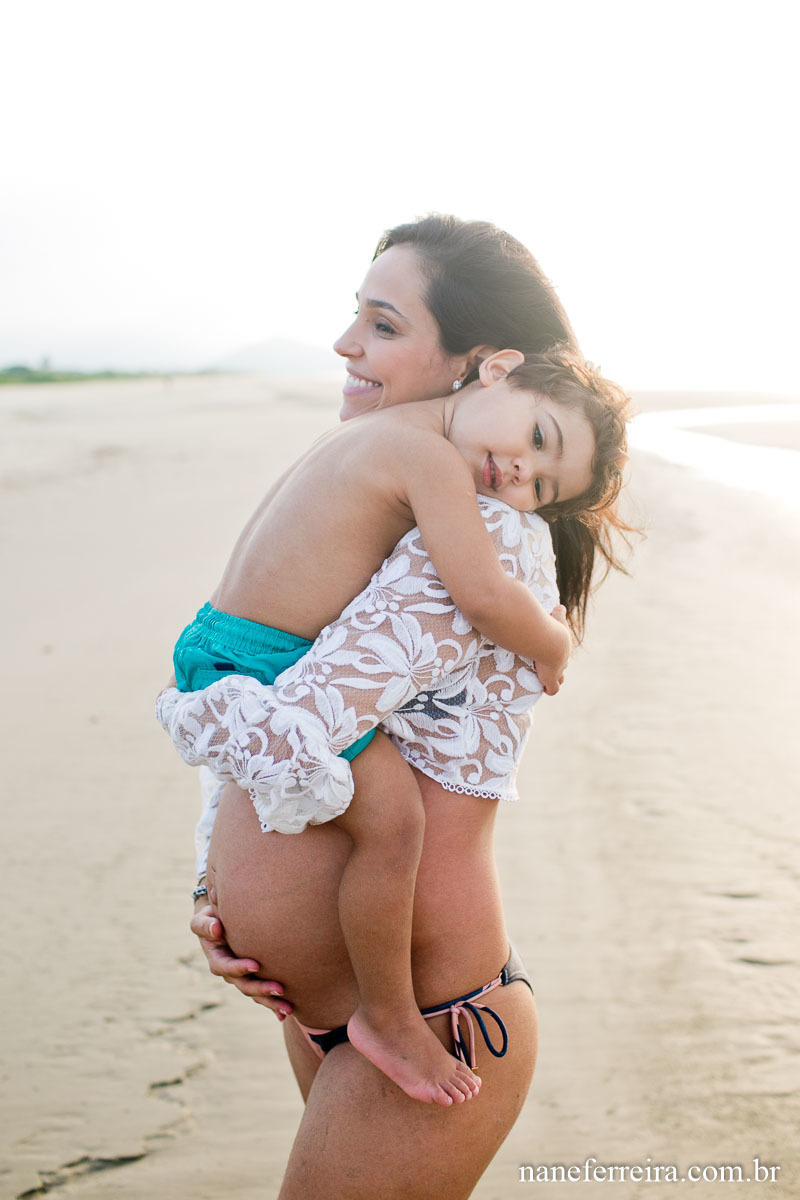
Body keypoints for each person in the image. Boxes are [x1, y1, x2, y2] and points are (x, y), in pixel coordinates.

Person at [160, 215, 633, 1197]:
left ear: (479, 364)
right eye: (355, 317)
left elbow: (313, 709)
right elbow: (280, 708)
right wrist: (224, 895)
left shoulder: (485, 532)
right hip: (344, 1006)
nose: (345, 346)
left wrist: (247, 876)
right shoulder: (398, 489)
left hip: (436, 1009)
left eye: (381, 324)